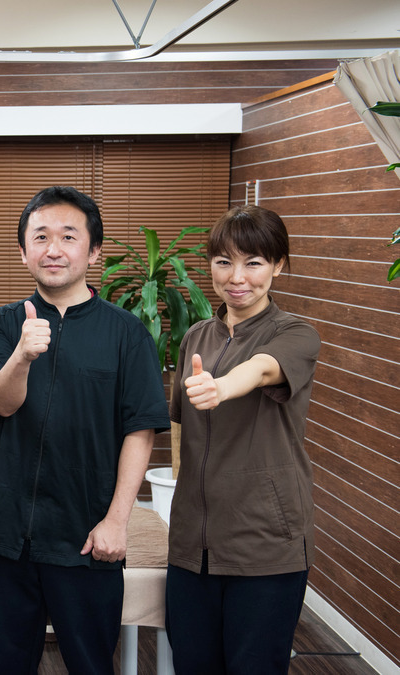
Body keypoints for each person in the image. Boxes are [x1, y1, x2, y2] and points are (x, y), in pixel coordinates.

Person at [0, 186, 170, 674]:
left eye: (68, 236)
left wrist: (117, 521)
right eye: (40, 237)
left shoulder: (127, 333)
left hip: (87, 538)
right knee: (6, 664)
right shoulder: (1, 324)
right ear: (23, 253)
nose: (53, 249)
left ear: (94, 250)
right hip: (9, 536)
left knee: (90, 664)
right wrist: (22, 354)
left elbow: (140, 430)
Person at [165, 205, 320, 674]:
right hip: (193, 548)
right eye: (223, 262)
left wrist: (221, 387)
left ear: (277, 265)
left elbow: (262, 369)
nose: (237, 277)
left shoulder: (296, 334)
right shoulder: (195, 337)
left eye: (253, 263)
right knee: (193, 665)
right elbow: (180, 435)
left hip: (265, 546)